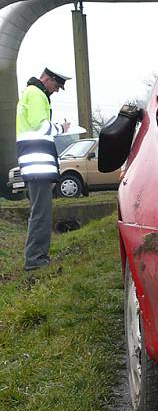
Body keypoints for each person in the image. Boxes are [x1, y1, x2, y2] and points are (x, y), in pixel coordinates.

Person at [16, 67, 71, 271]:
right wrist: (61, 129)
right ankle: (36, 260)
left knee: (38, 212)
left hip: (33, 164)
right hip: (38, 165)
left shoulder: (30, 94)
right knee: (41, 213)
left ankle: (36, 257)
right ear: (46, 79)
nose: (56, 90)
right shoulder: (37, 94)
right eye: (56, 85)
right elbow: (41, 127)